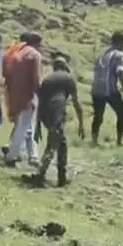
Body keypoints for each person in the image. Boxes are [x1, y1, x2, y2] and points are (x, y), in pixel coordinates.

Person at [32, 56, 85, 188]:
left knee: (61, 143)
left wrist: (38, 125)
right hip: (57, 113)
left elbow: (40, 103)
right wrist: (81, 124)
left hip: (45, 114)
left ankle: (61, 177)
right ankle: (40, 174)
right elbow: (76, 103)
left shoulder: (47, 80)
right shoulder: (68, 78)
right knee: (53, 144)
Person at [3, 34, 44, 166]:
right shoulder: (35, 55)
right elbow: (36, 79)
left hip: (14, 94)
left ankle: (33, 156)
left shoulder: (17, 52)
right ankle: (11, 156)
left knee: (28, 127)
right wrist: (41, 95)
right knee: (23, 128)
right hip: (28, 96)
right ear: (36, 43)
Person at [89, 32, 123, 146]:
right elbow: (120, 72)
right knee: (122, 114)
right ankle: (119, 141)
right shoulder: (118, 55)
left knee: (98, 116)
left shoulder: (102, 55)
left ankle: (94, 140)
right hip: (110, 90)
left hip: (97, 89)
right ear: (119, 43)